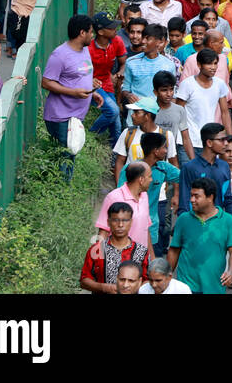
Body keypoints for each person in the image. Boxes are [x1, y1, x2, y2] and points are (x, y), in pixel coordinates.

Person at [41, 16, 101, 169]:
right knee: (64, 159)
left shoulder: (85, 50)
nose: (92, 35)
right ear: (82, 33)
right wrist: (73, 92)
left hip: (76, 116)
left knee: (70, 156)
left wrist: (92, 91)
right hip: (61, 116)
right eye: (90, 32)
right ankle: (59, 189)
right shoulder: (60, 55)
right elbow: (46, 82)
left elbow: (80, 76)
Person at [167, 178, 232, 293]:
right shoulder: (183, 219)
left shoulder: (227, 220)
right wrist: (166, 276)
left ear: (210, 197)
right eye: (191, 195)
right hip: (185, 287)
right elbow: (174, 250)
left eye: (197, 196)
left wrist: (231, 272)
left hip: (214, 287)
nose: (192, 200)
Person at [81, 201, 149, 293]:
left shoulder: (141, 251)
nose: (120, 225)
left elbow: (148, 281)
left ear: (131, 222)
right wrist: (103, 287)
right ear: (108, 222)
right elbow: (84, 281)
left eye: (125, 220)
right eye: (115, 220)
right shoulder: (97, 250)